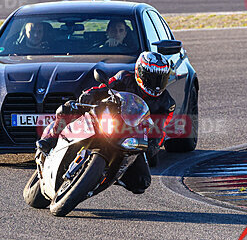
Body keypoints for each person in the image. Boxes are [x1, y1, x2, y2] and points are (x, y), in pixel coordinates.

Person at [36, 51, 175, 194]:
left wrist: (155, 144)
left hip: (132, 136)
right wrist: (89, 95)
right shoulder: (124, 77)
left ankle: (108, 176)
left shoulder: (167, 103)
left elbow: (161, 129)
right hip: (107, 118)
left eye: (161, 79)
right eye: (152, 78)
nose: (156, 84)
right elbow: (101, 88)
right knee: (68, 108)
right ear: (140, 73)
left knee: (142, 182)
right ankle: (50, 139)